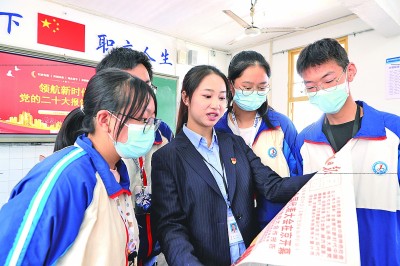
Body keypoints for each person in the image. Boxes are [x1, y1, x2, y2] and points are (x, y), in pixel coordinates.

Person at [150, 65, 314, 266]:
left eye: (221, 98)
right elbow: (170, 226)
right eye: (207, 96)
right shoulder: (167, 157)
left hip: (249, 258)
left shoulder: (235, 144)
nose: (216, 105)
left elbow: (273, 187)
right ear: (186, 97)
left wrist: (325, 175)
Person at [0, 68, 159, 265]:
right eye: (143, 119)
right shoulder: (67, 177)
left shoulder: (118, 173)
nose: (149, 128)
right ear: (104, 120)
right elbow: (13, 256)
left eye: (152, 120)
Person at [54, 47, 173, 266]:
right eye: (131, 86)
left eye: (146, 87)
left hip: (146, 252)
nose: (143, 97)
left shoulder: (161, 132)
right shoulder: (77, 167)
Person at [294, 38, 400, 266]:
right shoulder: (304, 140)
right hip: (325, 253)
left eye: (329, 80)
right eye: (311, 87)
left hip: (382, 252)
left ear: (350, 72)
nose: (320, 91)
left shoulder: (393, 131)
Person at [215, 50, 298, 229]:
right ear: (231, 85)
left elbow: (297, 174)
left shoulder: (281, 126)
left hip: (276, 227)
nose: (255, 93)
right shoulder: (216, 128)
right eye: (247, 87)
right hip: (230, 230)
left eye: (261, 88)